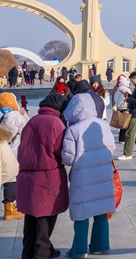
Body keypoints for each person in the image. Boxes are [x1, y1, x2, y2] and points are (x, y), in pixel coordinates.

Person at [62, 92, 116, 257]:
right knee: (101, 210)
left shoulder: (73, 130)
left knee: (82, 213)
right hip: (103, 174)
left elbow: (68, 158)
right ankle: (100, 245)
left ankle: (79, 250)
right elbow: (111, 148)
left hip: (83, 177)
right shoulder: (103, 125)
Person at [17, 94, 69, 259]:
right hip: (48, 176)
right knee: (45, 218)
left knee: (31, 216)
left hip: (27, 175)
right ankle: (42, 253)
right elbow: (62, 151)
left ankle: (28, 253)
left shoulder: (31, 121)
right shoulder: (56, 123)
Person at [0, 92, 27, 220]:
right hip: (14, 152)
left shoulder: (1, 116)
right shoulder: (16, 116)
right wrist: (25, 116)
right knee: (12, 179)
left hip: (3, 151)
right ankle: (10, 209)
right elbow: (27, 129)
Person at [113, 76, 132, 144]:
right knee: (125, 125)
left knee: (121, 125)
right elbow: (130, 98)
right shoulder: (126, 90)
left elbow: (115, 98)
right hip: (125, 108)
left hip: (120, 108)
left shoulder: (118, 89)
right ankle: (123, 139)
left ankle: (121, 138)